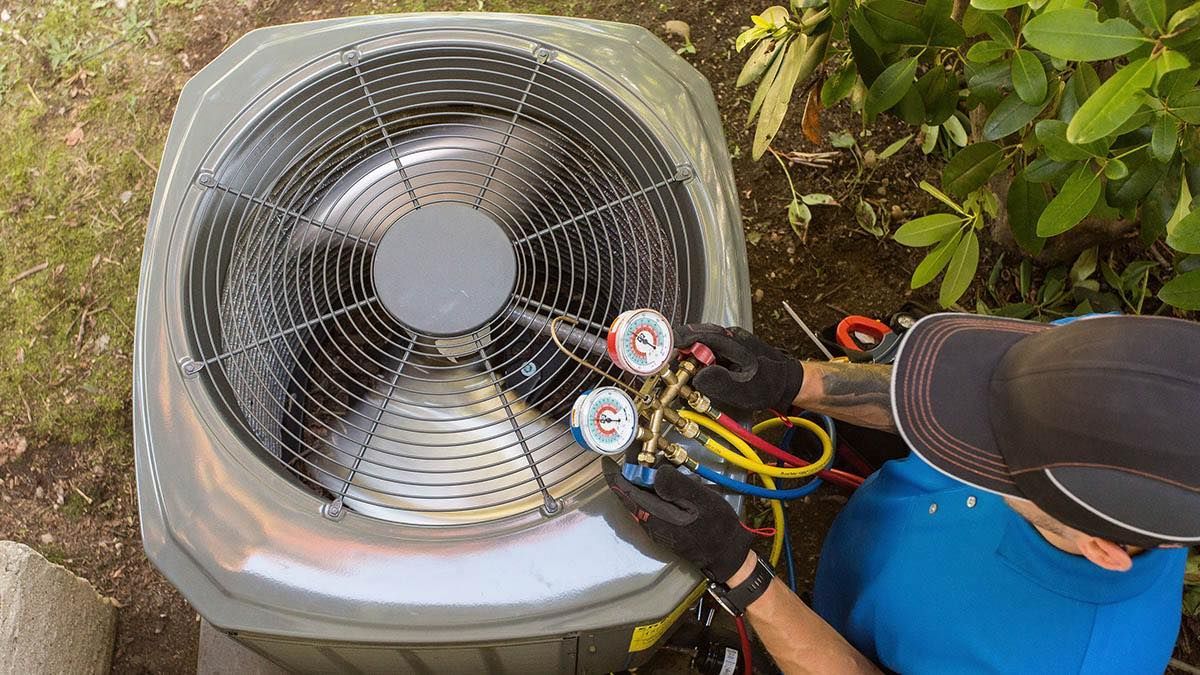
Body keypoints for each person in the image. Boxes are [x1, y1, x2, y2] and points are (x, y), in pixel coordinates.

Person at [607, 313, 1198, 674]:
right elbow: (940, 397)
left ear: (1100, 547)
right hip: (873, 538)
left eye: (993, 456)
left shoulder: (1068, 663)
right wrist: (798, 381)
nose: (964, 430)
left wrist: (738, 569)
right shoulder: (1108, 364)